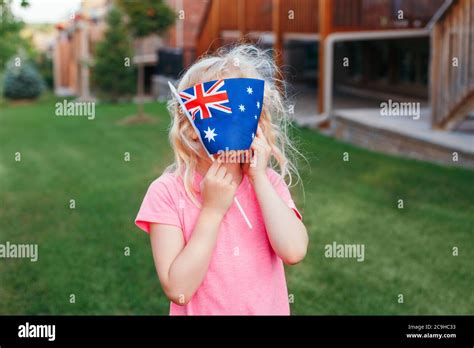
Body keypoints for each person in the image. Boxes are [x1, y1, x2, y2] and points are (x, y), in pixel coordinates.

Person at [135, 45, 308, 315]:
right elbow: (178, 290)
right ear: (192, 127)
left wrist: (259, 178)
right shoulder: (167, 193)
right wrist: (212, 211)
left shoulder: (268, 184)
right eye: (225, 111)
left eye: (246, 111)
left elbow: (294, 251)